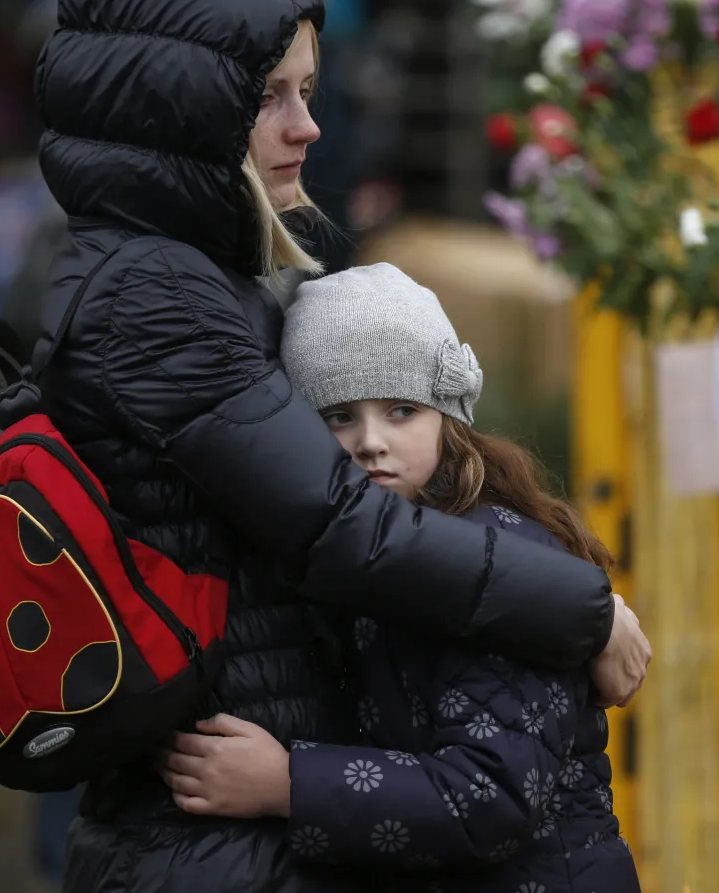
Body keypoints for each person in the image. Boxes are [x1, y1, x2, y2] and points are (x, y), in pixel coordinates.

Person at [32, 0, 649, 893]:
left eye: (309, 93)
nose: (307, 127)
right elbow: (338, 528)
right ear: (187, 107)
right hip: (210, 831)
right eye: (271, 96)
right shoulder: (156, 294)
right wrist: (582, 610)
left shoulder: (186, 274)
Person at [158, 262, 642, 892]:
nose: (370, 441)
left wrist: (286, 783)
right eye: (337, 416)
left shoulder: (500, 557)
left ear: (449, 415)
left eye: (401, 410)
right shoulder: (357, 562)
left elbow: (490, 799)